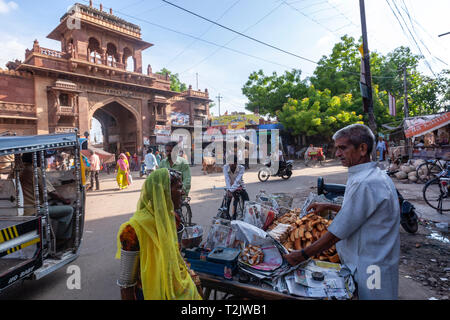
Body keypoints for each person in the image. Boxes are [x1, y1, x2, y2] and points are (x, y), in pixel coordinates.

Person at [284, 124, 400, 300]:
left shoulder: (366, 182)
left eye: (342, 148)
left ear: (362, 148)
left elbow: (338, 231)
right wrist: (330, 207)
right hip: (368, 261)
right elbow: (362, 213)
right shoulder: (370, 176)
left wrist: (303, 254)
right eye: (337, 148)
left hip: (372, 268)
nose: (337, 154)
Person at [116, 169, 202, 300]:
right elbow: (126, 282)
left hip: (177, 286)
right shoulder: (132, 230)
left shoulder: (173, 219)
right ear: (164, 192)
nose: (183, 192)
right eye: (179, 188)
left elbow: (176, 255)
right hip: (149, 292)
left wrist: (193, 278)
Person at [20, 153, 74, 241]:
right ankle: (61, 240)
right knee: (69, 210)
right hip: (33, 210)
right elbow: (52, 193)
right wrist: (65, 200)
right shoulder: (35, 170)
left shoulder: (19, 170)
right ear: (35, 159)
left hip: (21, 209)